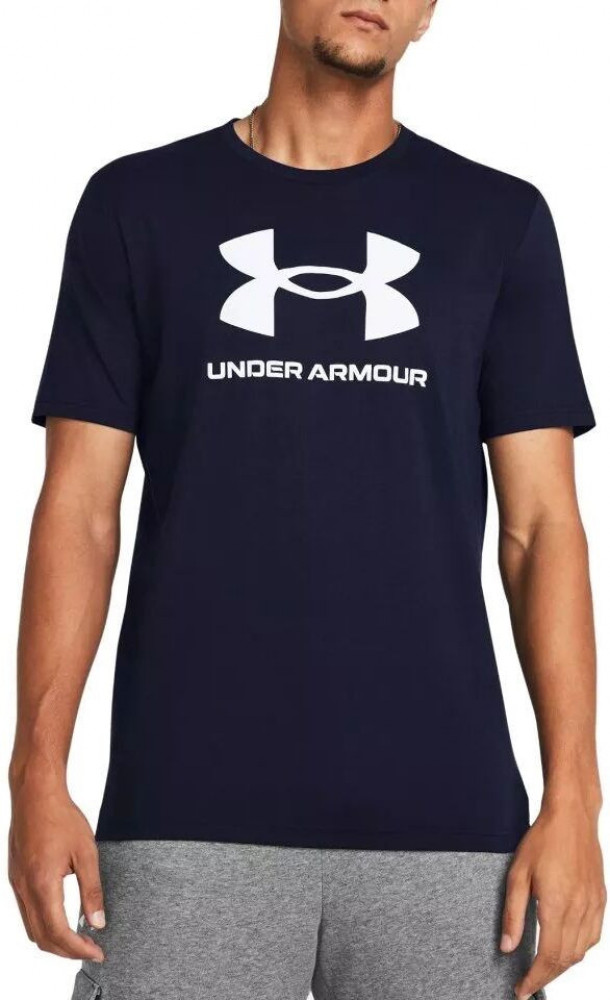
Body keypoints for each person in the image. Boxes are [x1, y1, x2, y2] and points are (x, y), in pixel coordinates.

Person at [8, 2, 605, 998]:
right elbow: (79, 510)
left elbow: (541, 530)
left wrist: (575, 801)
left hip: (453, 842)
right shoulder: (137, 206)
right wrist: (36, 772)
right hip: (182, 822)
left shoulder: (496, 223)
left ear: (429, 13)